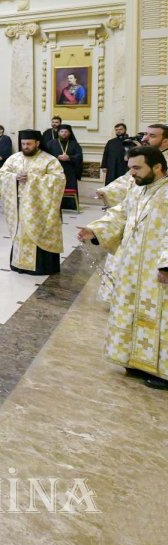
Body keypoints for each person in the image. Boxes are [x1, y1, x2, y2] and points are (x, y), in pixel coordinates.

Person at [78, 147, 168, 390]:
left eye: (137, 168)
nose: (132, 174)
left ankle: (163, 371)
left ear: (157, 167)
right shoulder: (139, 190)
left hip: (157, 268)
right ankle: (135, 360)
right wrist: (95, 230)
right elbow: (119, 215)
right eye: (130, 168)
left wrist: (167, 265)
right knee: (131, 308)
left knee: (160, 316)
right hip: (132, 266)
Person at [0, 130, 66, 275]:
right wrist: (15, 176)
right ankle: (19, 264)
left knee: (38, 233)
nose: (25, 147)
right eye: (23, 144)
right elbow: (2, 174)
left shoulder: (49, 160)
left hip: (40, 206)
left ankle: (41, 267)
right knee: (21, 233)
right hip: (19, 204)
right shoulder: (14, 158)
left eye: (29, 144)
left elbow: (59, 180)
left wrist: (32, 178)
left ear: (37, 143)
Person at [46, 124, 83, 210]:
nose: (64, 133)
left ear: (70, 133)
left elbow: (79, 156)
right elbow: (46, 156)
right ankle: (55, 206)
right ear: (58, 133)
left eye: (66, 132)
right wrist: (57, 157)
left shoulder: (74, 144)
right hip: (55, 171)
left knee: (70, 186)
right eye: (61, 131)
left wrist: (69, 157)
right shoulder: (51, 143)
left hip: (70, 171)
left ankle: (71, 206)